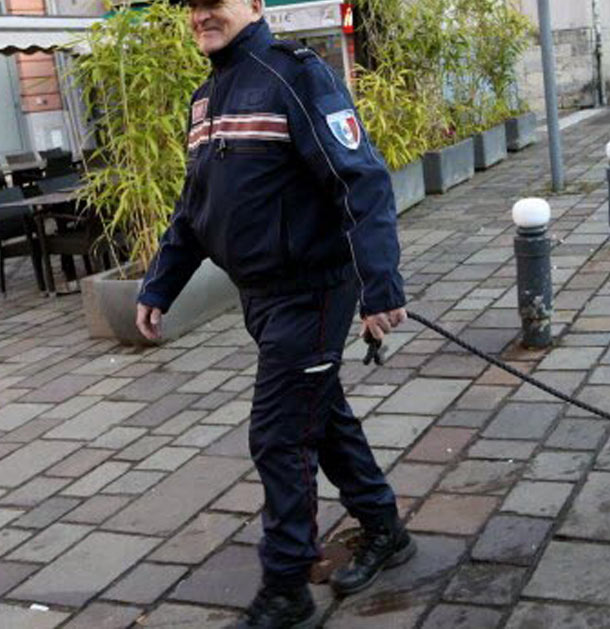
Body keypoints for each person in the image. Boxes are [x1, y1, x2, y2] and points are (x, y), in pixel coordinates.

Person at [136, 0, 415, 626]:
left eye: (217, 3)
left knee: (279, 434)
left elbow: (360, 179)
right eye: (194, 6)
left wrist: (380, 286)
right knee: (322, 414)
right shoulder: (206, 99)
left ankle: (286, 584)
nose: (204, 15)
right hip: (260, 297)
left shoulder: (295, 73)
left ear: (255, 5)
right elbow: (194, 208)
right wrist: (158, 287)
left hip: (312, 290)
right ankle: (385, 528)